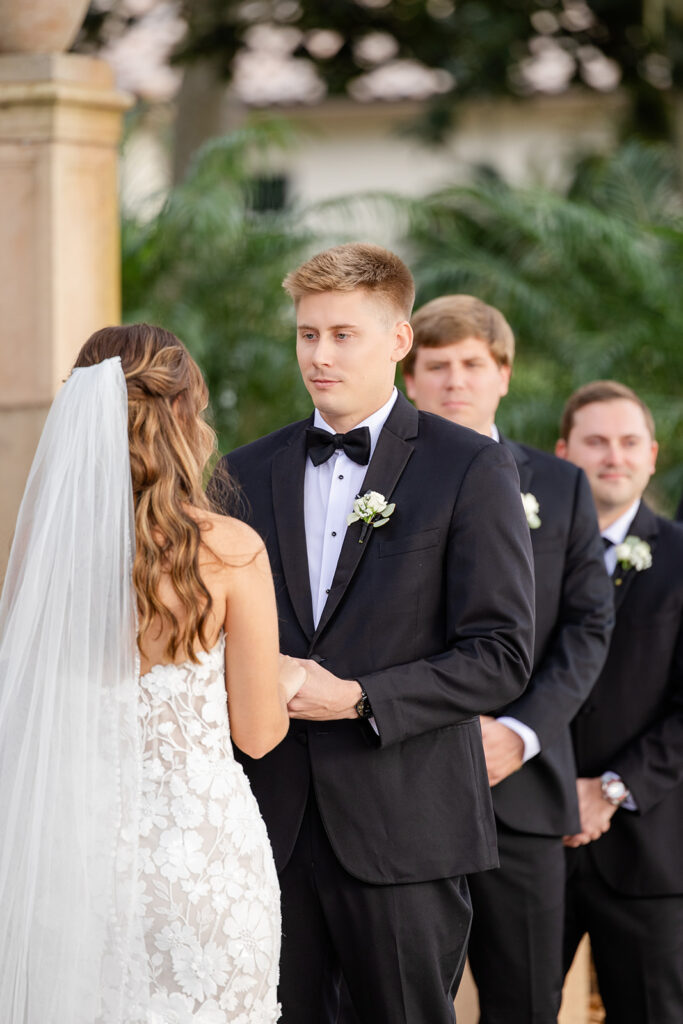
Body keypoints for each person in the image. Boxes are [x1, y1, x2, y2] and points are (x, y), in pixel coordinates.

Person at [209, 243, 536, 1024]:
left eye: (342, 335)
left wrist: (359, 697)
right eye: (306, 334)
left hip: (406, 830)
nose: (318, 356)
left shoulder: (468, 469)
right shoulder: (241, 473)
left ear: (397, 341)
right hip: (266, 827)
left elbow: (501, 653)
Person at [0, 324, 303, 1024]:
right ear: (182, 414)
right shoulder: (228, 549)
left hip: (70, 869)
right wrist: (283, 681)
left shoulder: (47, 563)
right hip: (202, 869)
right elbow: (257, 733)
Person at [402, 294, 613, 1023]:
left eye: (471, 364)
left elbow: (586, 627)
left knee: (525, 1000)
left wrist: (519, 733)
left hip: (523, 792)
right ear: (409, 380)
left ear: (502, 373)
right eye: (436, 366)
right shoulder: (378, 485)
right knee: (400, 998)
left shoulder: (559, 488)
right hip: (405, 788)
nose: (454, 381)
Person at [556, 380, 683, 1023]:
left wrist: (609, 788)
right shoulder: (522, 554)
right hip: (532, 844)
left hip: (649, 850)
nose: (614, 456)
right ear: (563, 452)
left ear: (652, 454)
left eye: (630, 442)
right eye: (596, 442)